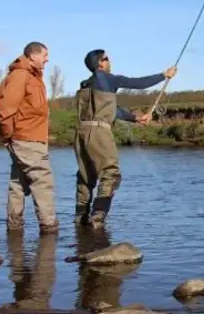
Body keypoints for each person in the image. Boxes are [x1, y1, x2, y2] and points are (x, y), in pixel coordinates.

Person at [73, 48, 177, 228]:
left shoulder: (85, 84)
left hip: (81, 133)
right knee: (111, 173)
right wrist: (164, 75)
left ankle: (80, 219)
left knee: (85, 176)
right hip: (99, 132)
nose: (110, 60)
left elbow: (112, 109)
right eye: (106, 58)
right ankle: (98, 217)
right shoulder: (107, 78)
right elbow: (138, 83)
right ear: (100, 63)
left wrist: (136, 118)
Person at [0, 41, 59, 235]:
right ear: (33, 56)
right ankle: (49, 228)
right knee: (42, 180)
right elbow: (5, 109)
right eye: (45, 55)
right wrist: (8, 136)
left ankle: (14, 229)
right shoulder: (21, 75)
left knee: (18, 181)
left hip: (30, 138)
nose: (47, 59)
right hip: (26, 138)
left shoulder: (31, 76)